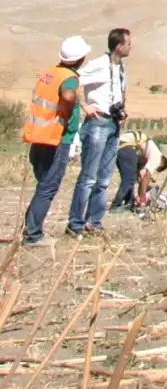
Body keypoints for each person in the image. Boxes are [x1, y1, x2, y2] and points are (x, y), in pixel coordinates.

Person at [20, 36, 90, 245]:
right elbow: (68, 97)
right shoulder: (69, 78)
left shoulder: (48, 73)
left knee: (43, 184)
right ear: (80, 58)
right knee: (48, 187)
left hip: (38, 135)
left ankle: (31, 229)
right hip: (56, 137)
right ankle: (33, 235)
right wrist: (66, 115)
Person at [67, 27, 132, 238]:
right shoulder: (98, 64)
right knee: (88, 177)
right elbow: (74, 80)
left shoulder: (121, 67)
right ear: (119, 45)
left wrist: (123, 108)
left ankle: (94, 221)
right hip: (97, 123)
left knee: (104, 178)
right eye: (128, 43)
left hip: (113, 124)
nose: (131, 47)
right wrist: (85, 105)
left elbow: (122, 91)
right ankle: (75, 223)